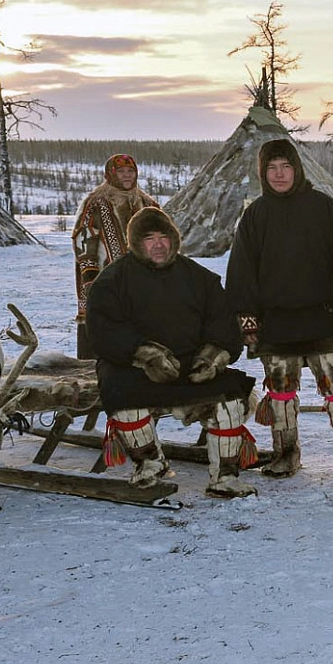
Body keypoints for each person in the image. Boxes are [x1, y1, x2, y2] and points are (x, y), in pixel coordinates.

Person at [87, 207, 259, 498]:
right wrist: (145, 355)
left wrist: (212, 357)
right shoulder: (112, 281)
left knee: (230, 397)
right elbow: (104, 331)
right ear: (136, 243)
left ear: (174, 240)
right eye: (149, 238)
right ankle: (150, 462)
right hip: (136, 367)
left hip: (191, 364)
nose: (158, 244)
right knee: (122, 395)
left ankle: (225, 476)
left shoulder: (200, 278)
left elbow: (223, 323)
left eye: (163, 237)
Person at [225, 138, 333, 479]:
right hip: (277, 324)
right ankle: (286, 453)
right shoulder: (254, 216)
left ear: (296, 168)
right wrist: (249, 323)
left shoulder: (324, 208)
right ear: (263, 172)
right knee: (281, 396)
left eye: (285, 166)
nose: (279, 174)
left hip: (323, 320)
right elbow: (241, 273)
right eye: (271, 168)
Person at [72, 153, 158, 358]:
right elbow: (84, 237)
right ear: (111, 174)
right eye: (121, 171)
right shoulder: (96, 202)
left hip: (142, 277)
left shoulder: (147, 204)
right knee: (102, 319)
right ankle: (93, 368)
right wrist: (89, 273)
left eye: (131, 171)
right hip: (104, 274)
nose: (127, 176)